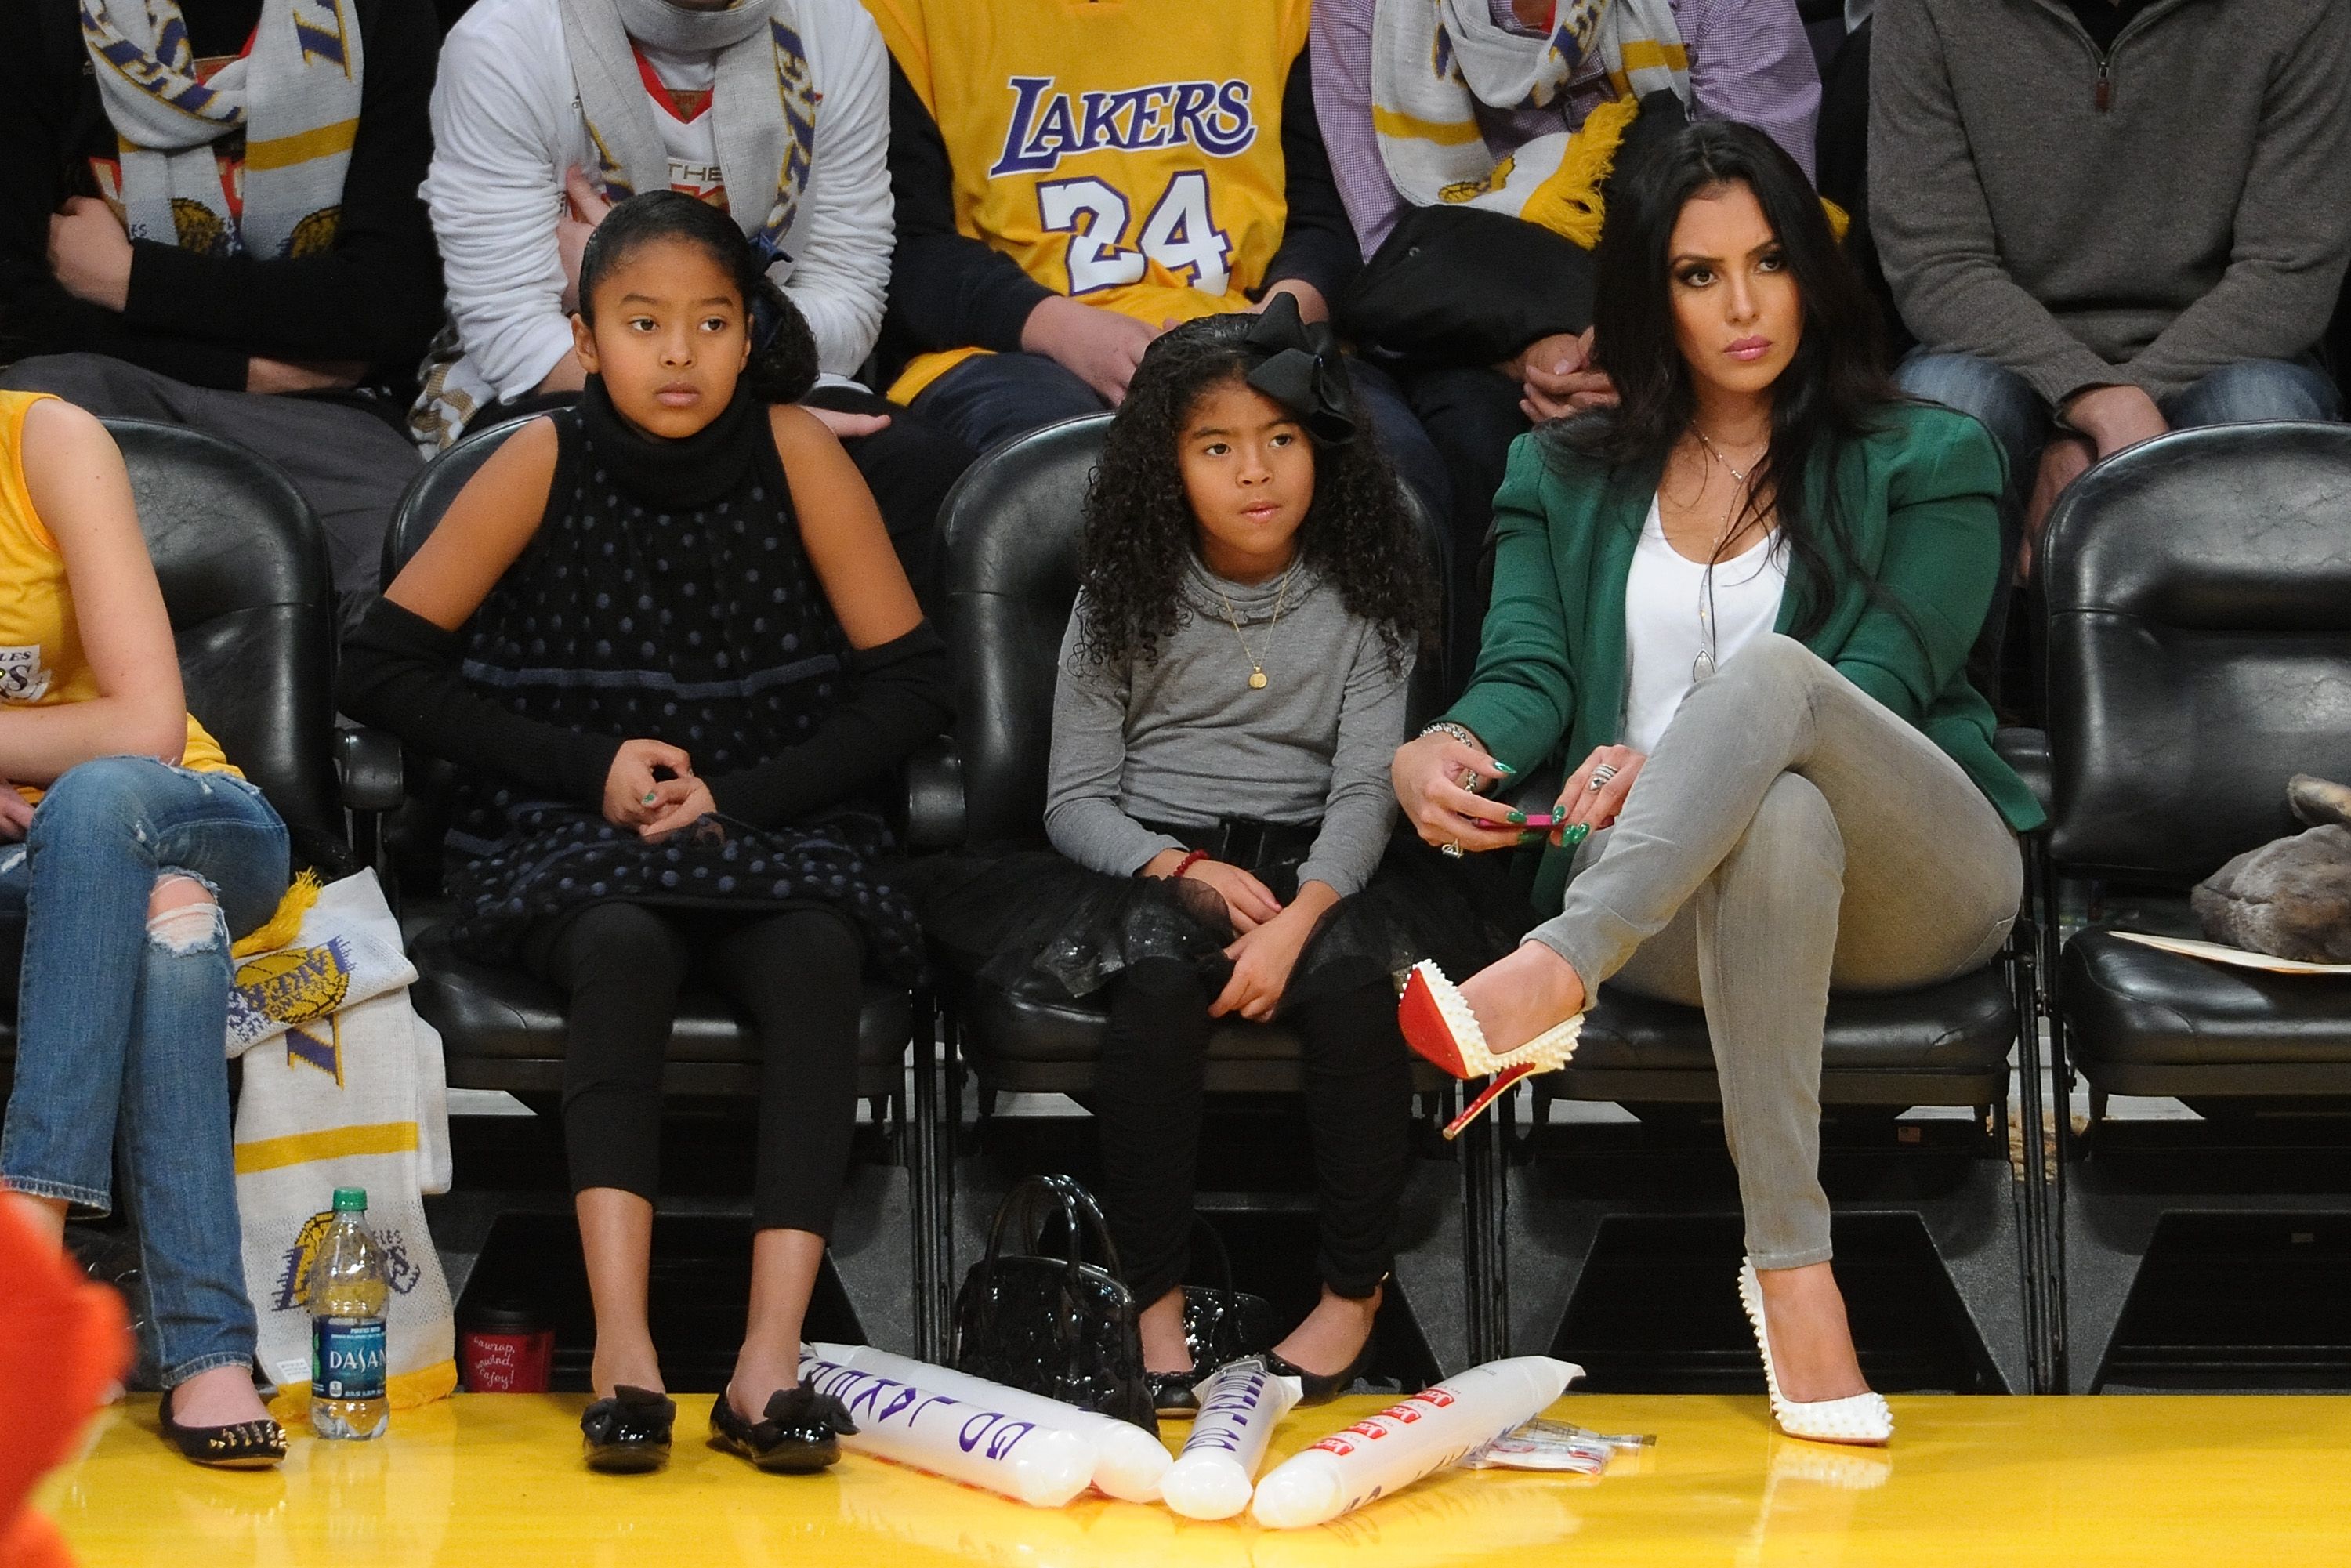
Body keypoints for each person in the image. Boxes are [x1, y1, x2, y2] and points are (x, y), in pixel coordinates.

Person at [1391, 122, 2042, 1446]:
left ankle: (1547, 975)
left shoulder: (1936, 455)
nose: (1744, 308)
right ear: (1648, 295)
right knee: (1776, 821)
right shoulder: (1557, 472)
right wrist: (1444, 743)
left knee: (1789, 692)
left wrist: (1673, 747)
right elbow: (1522, 673)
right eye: (1699, 276)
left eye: (1768, 264)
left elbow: (1877, 678)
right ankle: (1794, 1273)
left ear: (1814, 272)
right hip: (1683, 909)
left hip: (1920, 879)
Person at [339, 192, 951, 1474]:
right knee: (618, 945)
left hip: (770, 818)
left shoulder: (800, 452)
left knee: (814, 961)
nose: (677, 352)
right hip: (573, 821)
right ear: (586, 335)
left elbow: (909, 685)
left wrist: (740, 797)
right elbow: (383, 669)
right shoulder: (534, 457)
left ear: (748, 337)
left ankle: (765, 1363)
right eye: (642, 322)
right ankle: (622, 1349)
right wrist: (588, 766)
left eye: (710, 322)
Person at [915, 301, 1496, 1415]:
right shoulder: (1120, 596)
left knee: (1351, 992)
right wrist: (1173, 869)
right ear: (1167, 462)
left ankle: (1351, 1295)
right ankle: (1153, 1307)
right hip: (1154, 862)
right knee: (1154, 993)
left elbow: (1363, 796)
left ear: (1320, 445)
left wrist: (1299, 915)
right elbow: (1075, 799)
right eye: (1217, 446)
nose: (1255, 472)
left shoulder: (1369, 593)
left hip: (1327, 860)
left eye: (1280, 439)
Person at [1311, 0, 1820, 683]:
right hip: (1475, 320)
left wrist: (1646, 340)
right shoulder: (1357, 9)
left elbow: (1767, 196)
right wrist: (1531, 345)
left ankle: (1722, 703)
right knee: (1482, 430)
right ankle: (1497, 725)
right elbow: (1392, 241)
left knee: (1716, 396)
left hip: (1696, 295)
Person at [416, 0, 973, 599]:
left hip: (780, 374)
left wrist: (623, 269)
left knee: (925, 479)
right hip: (566, 376)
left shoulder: (836, 27)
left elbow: (850, 308)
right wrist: (736, 400)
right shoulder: (506, 38)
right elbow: (515, 336)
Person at [0, 390, 295, 1469]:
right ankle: (209, 1358)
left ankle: (26, 1258)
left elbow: (144, 725)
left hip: (189, 808)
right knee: (169, 919)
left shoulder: (45, 442)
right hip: (46, 864)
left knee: (100, 808)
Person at [864, 0, 1450, 533]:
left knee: (1392, 474)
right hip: (1014, 347)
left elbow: (1325, 220)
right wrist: (1071, 335)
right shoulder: (906, 14)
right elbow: (909, 251)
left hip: (1259, 327)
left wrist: (1272, 328)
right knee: (1069, 479)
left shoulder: (1279, 10)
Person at [1873, 0, 2351, 570]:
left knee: (2261, 410)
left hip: (2224, 349)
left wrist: (2118, 421)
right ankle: (1919, 663)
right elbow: (1937, 262)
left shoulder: (2305, 11)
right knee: (1949, 407)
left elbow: (2289, 271)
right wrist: (2089, 400)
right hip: (1999, 346)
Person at [0, 0, 444, 605]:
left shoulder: (382, 16)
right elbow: (17, 314)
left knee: (419, 582)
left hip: (326, 412)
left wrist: (129, 280)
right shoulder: (39, 20)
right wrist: (252, 371)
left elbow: (389, 306)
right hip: (99, 383)